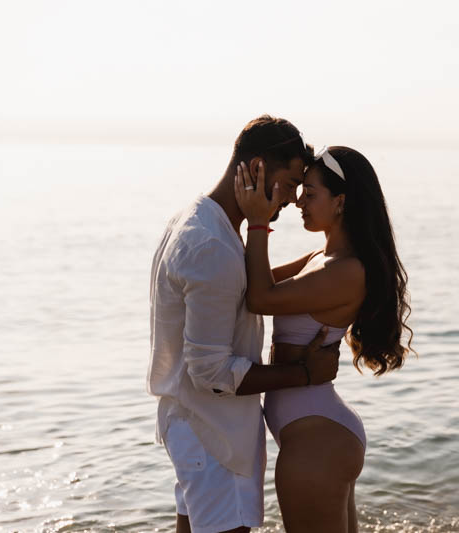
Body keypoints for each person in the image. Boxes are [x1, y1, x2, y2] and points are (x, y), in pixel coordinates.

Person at [147, 115, 342, 533]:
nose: (292, 200)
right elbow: (212, 374)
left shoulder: (197, 219)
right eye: (290, 184)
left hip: (193, 425)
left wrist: (312, 261)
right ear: (256, 168)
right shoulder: (212, 246)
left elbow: (251, 287)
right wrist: (304, 373)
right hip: (212, 433)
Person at [233, 145, 414, 533]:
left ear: (341, 202)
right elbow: (247, 282)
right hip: (317, 435)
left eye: (310, 193)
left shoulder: (347, 271)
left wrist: (258, 222)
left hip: (317, 442)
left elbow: (260, 298)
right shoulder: (321, 257)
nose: (299, 201)